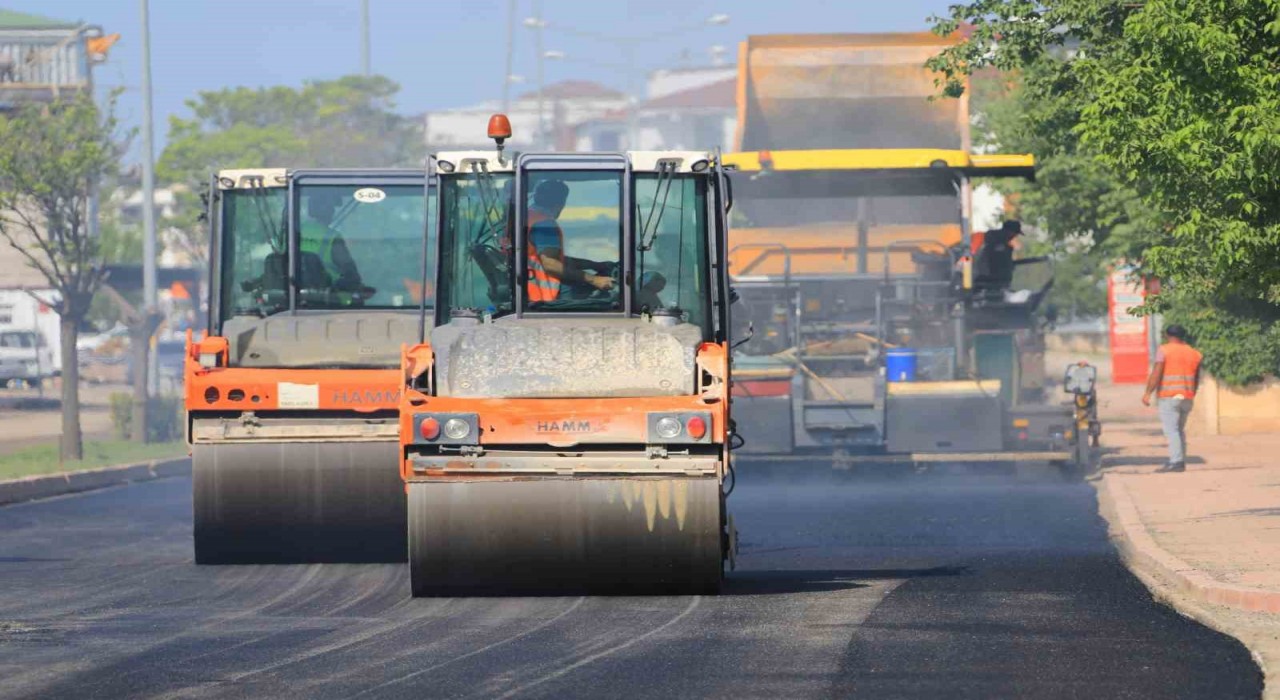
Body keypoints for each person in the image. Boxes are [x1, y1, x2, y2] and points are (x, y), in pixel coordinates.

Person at [525, 179, 615, 303]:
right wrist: (594, 280)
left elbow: (548, 258)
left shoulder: (526, 217)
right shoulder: (544, 224)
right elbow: (550, 264)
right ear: (560, 203)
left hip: (527, 291)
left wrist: (595, 265)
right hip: (545, 296)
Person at [1142, 324, 1203, 473]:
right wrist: (1192, 393)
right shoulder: (1194, 353)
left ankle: (1176, 462)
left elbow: (1156, 373)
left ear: (1167, 335)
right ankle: (1180, 460)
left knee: (1172, 431)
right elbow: (1196, 378)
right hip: (1187, 396)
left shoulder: (1164, 350)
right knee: (1179, 430)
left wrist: (1148, 393)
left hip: (1169, 396)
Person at [301, 189, 366, 293]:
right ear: (328, 210)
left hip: (293, 297)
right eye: (331, 207)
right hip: (329, 300)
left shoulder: (290, 233)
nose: (332, 211)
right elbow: (351, 274)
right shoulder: (331, 236)